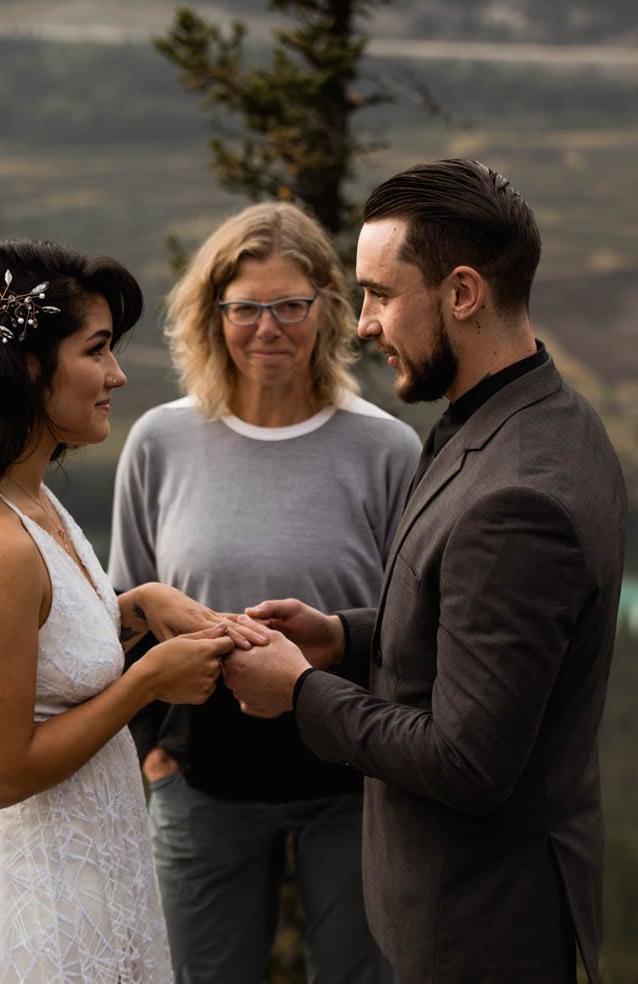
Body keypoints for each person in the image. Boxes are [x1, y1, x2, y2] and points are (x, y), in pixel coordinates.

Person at [223, 160, 627, 984]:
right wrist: (342, 638)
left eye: (380, 293)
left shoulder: (519, 498)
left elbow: (467, 762)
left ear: (463, 293)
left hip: (478, 929)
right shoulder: (538, 414)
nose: (364, 324)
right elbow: (469, 621)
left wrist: (300, 690)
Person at [0, 240, 262, 983]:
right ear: (26, 368)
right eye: (97, 350)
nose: (117, 375)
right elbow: (4, 771)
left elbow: (41, 653)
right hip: (31, 896)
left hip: (83, 870)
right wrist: (147, 683)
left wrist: (139, 607)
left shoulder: (30, 498)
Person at [109, 202, 419, 983]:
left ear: (328, 309)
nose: (267, 328)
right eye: (245, 308)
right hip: (202, 782)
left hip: (352, 781)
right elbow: (126, 614)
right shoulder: (160, 442)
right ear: (214, 315)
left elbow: (419, 626)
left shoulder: (385, 449)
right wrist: (153, 759)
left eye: (290, 306)